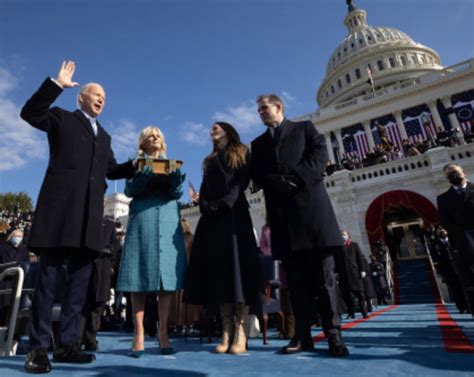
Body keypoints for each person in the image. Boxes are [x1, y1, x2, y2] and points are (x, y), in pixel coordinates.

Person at [20, 61, 135, 373]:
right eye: (96, 94)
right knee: (48, 284)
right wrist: (56, 84)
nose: (102, 99)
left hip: (89, 222)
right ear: (81, 97)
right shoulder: (61, 119)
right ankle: (39, 348)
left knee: (78, 290)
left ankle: (68, 345)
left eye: (105, 97)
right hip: (60, 216)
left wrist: (136, 165)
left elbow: (111, 170)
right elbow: (30, 113)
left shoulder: (106, 136)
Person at [250, 94, 348, 357]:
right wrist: (275, 182)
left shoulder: (305, 128)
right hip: (283, 220)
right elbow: (257, 174)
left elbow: (319, 158)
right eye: (258, 110)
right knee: (295, 284)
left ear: (278, 107)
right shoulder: (257, 144)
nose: (260, 113)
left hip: (313, 215)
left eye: (264, 108)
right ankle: (302, 335)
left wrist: (294, 180)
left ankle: (333, 334)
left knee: (324, 281)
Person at [183, 122, 262, 355]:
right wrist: (206, 205)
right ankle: (226, 330)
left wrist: (226, 202)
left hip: (235, 216)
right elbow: (205, 187)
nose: (212, 129)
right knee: (221, 274)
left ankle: (240, 330)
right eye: (211, 128)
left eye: (217, 126)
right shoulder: (209, 160)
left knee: (238, 272)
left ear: (228, 130)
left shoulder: (242, 151)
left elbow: (241, 181)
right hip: (213, 221)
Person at [116, 126, 187, 356]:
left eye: (158, 135)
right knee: (139, 277)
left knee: (165, 282)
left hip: (167, 220)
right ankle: (138, 333)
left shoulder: (171, 163)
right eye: (150, 135)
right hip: (143, 219)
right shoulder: (134, 163)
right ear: (143, 142)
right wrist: (141, 181)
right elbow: (129, 190)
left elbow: (177, 193)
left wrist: (176, 181)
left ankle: (163, 332)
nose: (155, 137)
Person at [437, 163, 474, 315]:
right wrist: (463, 236)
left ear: (463, 172)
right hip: (464, 245)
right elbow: (446, 222)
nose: (453, 175)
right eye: (449, 174)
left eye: (455, 171)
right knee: (471, 285)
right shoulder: (444, 199)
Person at [79, 216, 120, 351]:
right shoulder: (84, 220)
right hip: (85, 266)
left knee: (98, 305)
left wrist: (109, 254)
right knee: (82, 305)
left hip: (103, 269)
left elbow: (115, 244)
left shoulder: (109, 224)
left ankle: (91, 338)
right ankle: (78, 338)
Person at [0, 228, 29, 325]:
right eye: (16, 236)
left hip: (17, 281)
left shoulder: (24, 250)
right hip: (4, 281)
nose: (18, 238)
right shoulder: (3, 247)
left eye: (20, 236)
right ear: (11, 236)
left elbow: (26, 263)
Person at [338, 231, 368, 319]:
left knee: (360, 294)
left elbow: (360, 258)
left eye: (344, 234)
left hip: (354, 273)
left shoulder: (354, 245)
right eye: (341, 235)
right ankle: (351, 313)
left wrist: (363, 270)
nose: (342, 236)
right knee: (346, 295)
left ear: (348, 236)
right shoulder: (338, 247)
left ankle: (364, 312)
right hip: (344, 275)